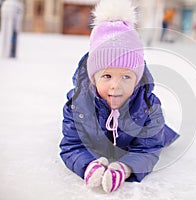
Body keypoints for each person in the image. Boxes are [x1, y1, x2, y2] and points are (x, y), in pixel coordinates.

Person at [59, 0, 179, 194]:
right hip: (100, 145)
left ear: (137, 79)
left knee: (158, 132)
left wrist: (125, 168)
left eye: (126, 76)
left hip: (136, 138)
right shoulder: (77, 105)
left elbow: (148, 149)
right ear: (93, 78)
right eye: (107, 76)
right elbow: (72, 146)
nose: (116, 85)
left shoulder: (148, 107)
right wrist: (89, 166)